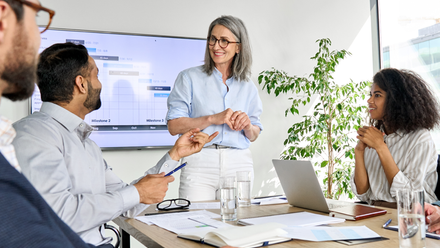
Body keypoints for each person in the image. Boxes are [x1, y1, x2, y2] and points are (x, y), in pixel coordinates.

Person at [12, 42, 217, 246]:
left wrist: (174, 155)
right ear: (81, 84)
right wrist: (137, 193)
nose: (100, 84)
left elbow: (128, 203)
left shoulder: (86, 144)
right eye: (97, 75)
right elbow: (58, 215)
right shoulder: (34, 135)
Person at [0, 0, 101, 247]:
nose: (37, 40)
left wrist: (174, 155)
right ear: (3, 16)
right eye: (38, 19)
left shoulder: (84, 140)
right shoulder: (34, 135)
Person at [166, 15, 263, 201]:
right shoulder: (188, 78)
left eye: (224, 41)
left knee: (238, 225)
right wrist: (211, 119)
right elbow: (173, 126)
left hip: (239, 163)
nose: (216, 46)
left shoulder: (248, 85)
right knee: (196, 225)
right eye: (213, 39)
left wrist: (248, 127)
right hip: (200, 161)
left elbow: (254, 133)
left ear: (239, 47)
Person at [350, 68, 440, 208]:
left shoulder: (420, 138)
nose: (369, 100)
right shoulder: (374, 135)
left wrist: (381, 147)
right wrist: (359, 152)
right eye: (371, 94)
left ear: (396, 100)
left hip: (409, 216)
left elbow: (411, 198)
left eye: (377, 95)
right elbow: (362, 194)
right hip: (374, 212)